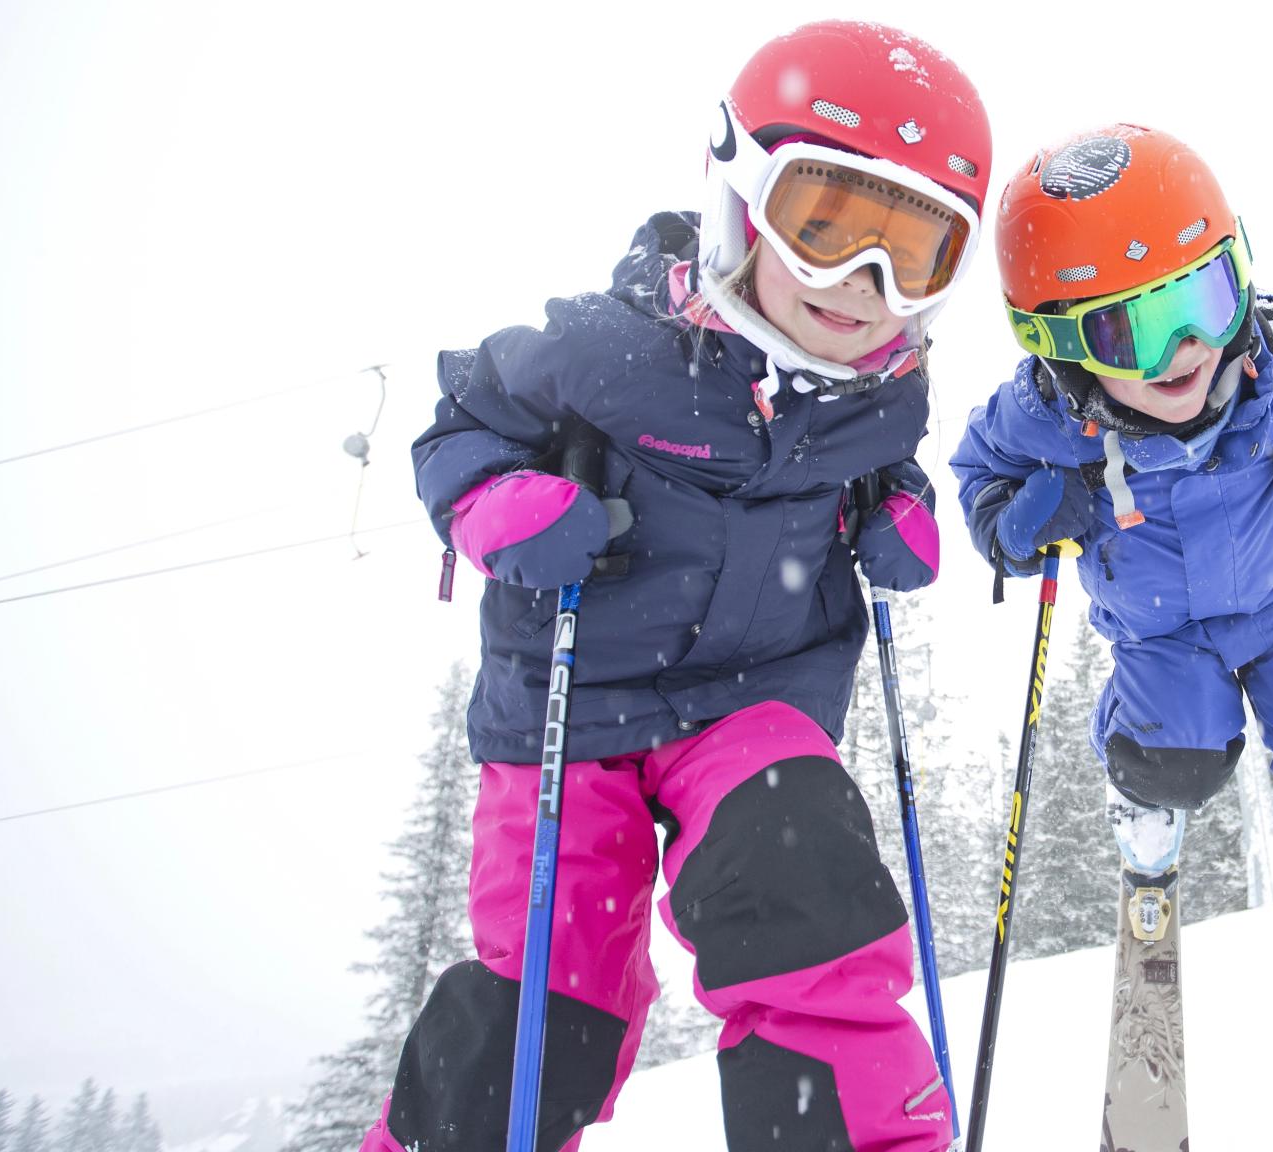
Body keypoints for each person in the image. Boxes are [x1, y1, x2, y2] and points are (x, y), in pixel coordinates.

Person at [361, 22, 990, 1152]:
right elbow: (460, 421)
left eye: (913, 253)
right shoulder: (605, 350)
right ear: (741, 196)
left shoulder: (884, 395)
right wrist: (490, 504)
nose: (862, 286)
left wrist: (898, 510)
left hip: (752, 706)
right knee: (552, 996)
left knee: (807, 895)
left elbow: (881, 469)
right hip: (575, 710)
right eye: (827, 225)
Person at [951, 125, 1273, 969]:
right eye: (1129, 332)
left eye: (1203, 304)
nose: (1184, 352)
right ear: (1058, 345)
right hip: (1159, 628)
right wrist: (1015, 521)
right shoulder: (1046, 415)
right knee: (1172, 761)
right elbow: (980, 469)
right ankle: (1145, 809)